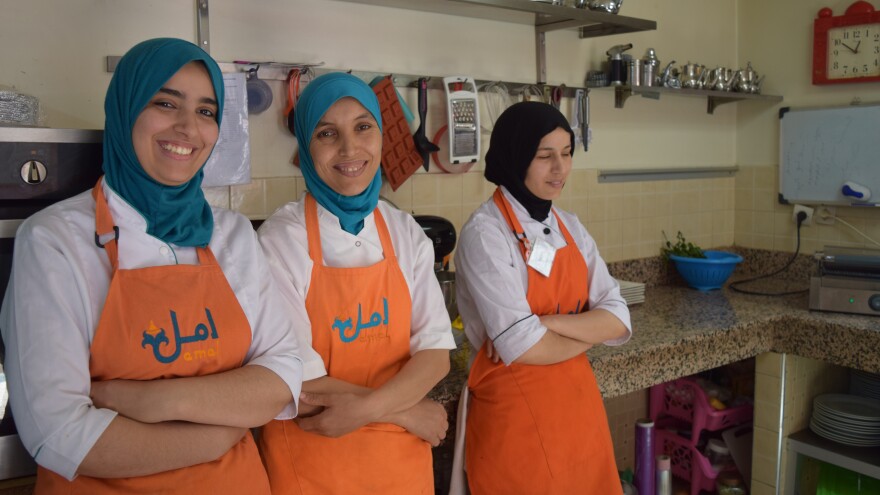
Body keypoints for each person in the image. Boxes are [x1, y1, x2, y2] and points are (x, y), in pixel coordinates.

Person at [0, 38, 303, 494]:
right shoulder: (54, 240)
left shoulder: (232, 235)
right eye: (165, 103)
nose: (187, 127)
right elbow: (59, 435)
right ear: (126, 111)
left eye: (205, 111)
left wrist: (144, 399)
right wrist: (219, 432)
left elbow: (282, 375)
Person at [257, 72, 455, 494]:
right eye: (327, 133)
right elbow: (301, 384)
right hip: (315, 464)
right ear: (307, 148)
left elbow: (435, 355)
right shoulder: (280, 240)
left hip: (401, 470)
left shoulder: (404, 232)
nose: (350, 149)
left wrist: (371, 409)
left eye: (363, 127)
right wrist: (407, 413)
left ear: (381, 135)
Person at [453, 101, 632, 494]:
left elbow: (619, 318)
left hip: (579, 415)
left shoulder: (570, 227)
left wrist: (547, 325)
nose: (560, 169)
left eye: (567, 154)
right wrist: (587, 330)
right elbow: (523, 347)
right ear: (516, 156)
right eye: (545, 156)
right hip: (516, 421)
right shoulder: (486, 234)